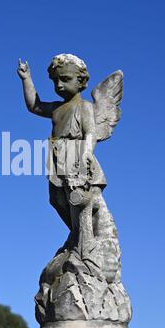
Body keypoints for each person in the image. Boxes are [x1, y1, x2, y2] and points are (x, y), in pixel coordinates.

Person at [17, 54, 110, 247]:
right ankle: (76, 233)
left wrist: (86, 154)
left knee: (76, 199)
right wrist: (27, 80)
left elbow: (90, 132)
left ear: (81, 81)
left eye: (65, 79)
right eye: (55, 80)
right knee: (56, 200)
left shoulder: (84, 106)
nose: (59, 85)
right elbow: (34, 106)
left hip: (76, 157)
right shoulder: (57, 108)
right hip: (58, 158)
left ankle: (85, 239)